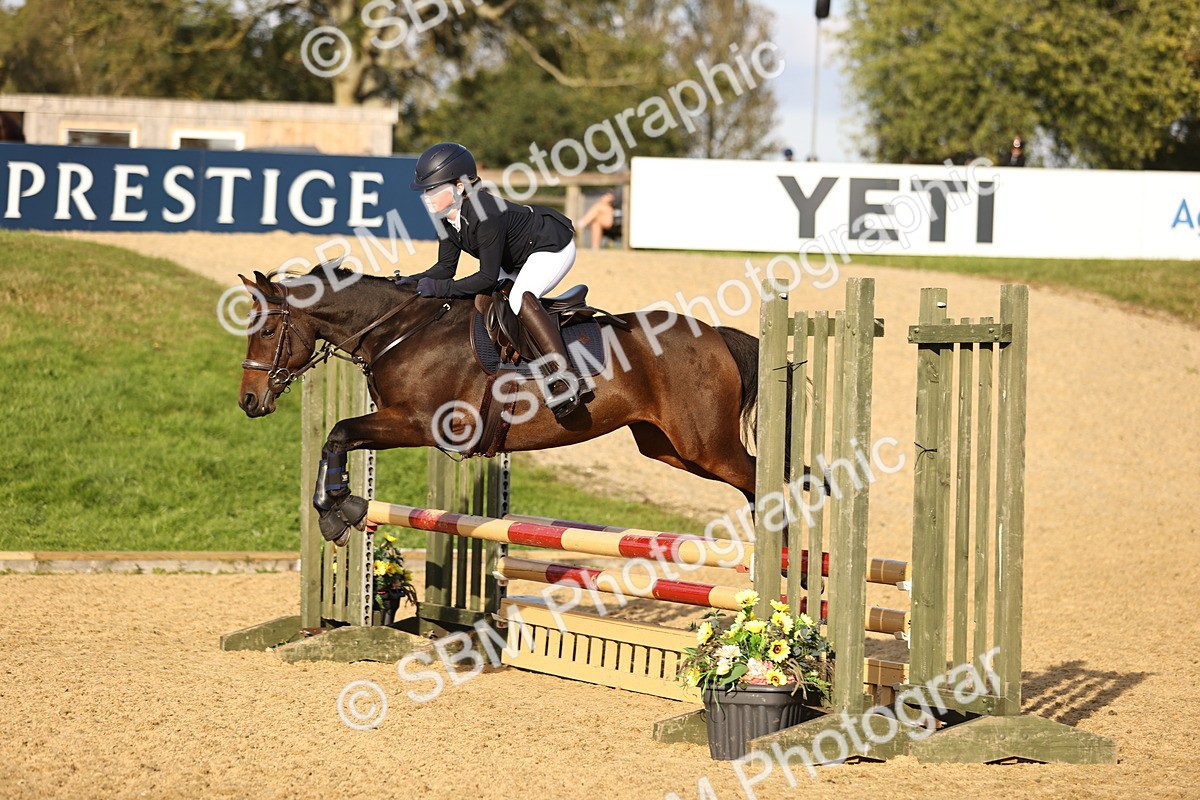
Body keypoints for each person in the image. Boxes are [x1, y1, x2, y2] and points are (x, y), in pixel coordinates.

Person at [399, 142, 582, 419]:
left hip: (550, 246)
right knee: (485, 301)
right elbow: (445, 268)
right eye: (425, 190)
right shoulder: (445, 216)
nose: (427, 197)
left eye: (434, 189)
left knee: (520, 297)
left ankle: (563, 376)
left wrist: (441, 288)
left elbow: (484, 276)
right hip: (516, 259)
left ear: (460, 187)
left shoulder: (485, 212)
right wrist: (412, 282)